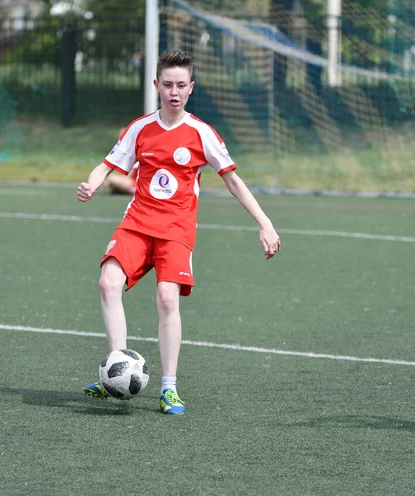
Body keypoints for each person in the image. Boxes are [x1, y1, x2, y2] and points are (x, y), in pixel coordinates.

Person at [77, 49, 281, 415]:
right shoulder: (140, 128)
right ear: (156, 85)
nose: (174, 92)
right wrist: (91, 185)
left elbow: (233, 181)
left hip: (176, 230)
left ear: (191, 89)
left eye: (181, 86)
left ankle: (169, 388)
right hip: (137, 223)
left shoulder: (202, 133)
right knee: (108, 281)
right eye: (167, 84)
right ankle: (117, 373)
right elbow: (107, 165)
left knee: (167, 300)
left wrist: (264, 223)